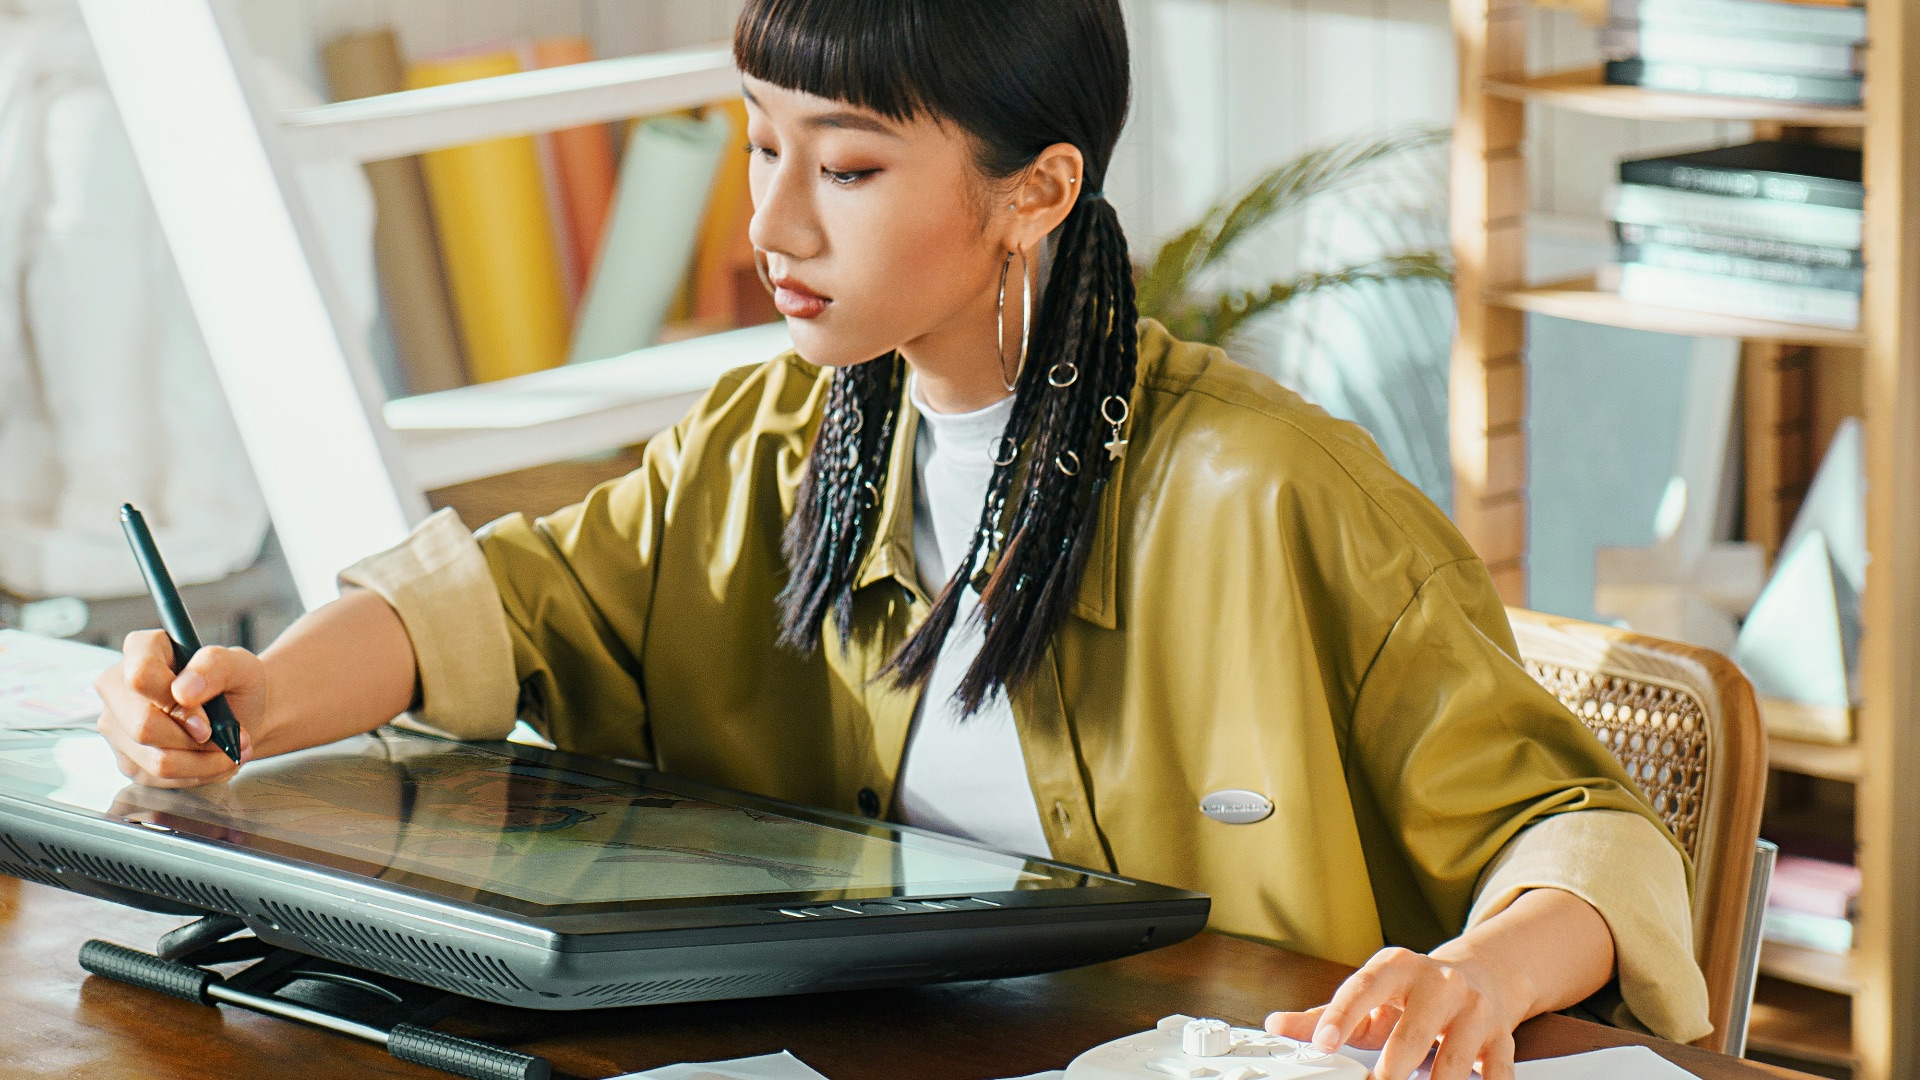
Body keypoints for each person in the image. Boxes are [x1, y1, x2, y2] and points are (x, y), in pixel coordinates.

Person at [94, 1, 1710, 1076]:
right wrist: (252, 697)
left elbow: (1580, 829)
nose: (773, 224)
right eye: (759, 143)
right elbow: (512, 601)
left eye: (850, 166)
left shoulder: (1272, 494)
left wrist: (1485, 978)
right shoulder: (765, 444)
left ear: (1036, 189)